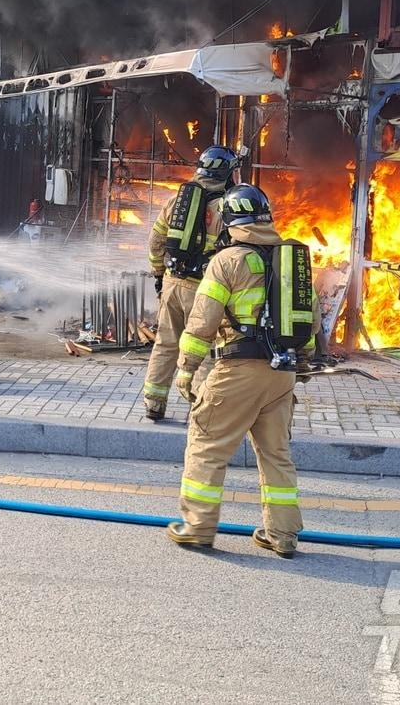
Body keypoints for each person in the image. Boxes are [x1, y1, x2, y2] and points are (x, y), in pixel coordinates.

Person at [165, 184, 307, 559]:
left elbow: (202, 321)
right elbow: (310, 325)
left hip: (238, 369)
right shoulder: (290, 257)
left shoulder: (227, 261)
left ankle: (197, 528)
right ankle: (283, 536)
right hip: (282, 374)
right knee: (276, 454)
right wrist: (299, 366)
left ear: (230, 220)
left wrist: (185, 368)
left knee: (207, 444)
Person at [142, 146, 237, 420]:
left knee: (166, 343)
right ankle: (200, 408)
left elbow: (155, 241)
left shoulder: (177, 200)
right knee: (204, 346)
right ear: (226, 173)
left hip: (173, 282)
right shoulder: (227, 207)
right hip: (207, 289)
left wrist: (159, 273)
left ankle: (154, 403)